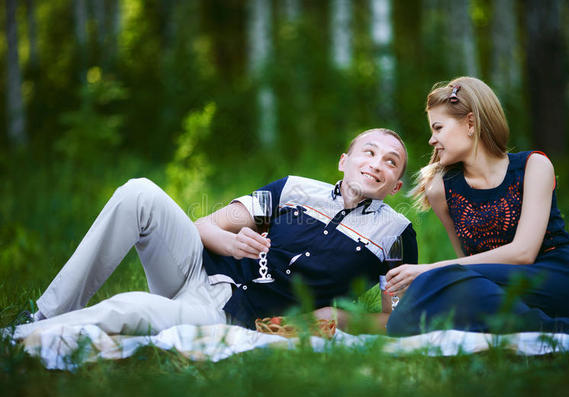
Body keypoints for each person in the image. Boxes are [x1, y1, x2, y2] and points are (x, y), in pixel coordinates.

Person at [12, 128, 417, 339]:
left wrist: (338, 316)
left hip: (229, 316)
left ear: (395, 185)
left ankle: (18, 339)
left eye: (391, 161)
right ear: (344, 160)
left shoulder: (396, 234)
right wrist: (228, 241)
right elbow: (205, 226)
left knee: (130, 307)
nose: (377, 163)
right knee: (139, 192)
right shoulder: (293, 189)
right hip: (193, 273)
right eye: (369, 151)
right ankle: (46, 316)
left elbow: (397, 319)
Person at [383, 77, 569, 337]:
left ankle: (559, 332)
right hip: (501, 295)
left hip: (560, 281)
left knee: (435, 280)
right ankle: (560, 334)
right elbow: (467, 267)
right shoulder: (440, 189)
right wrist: (431, 279)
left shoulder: (534, 166)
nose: (432, 140)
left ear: (471, 123)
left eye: (438, 128)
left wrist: (427, 271)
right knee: (403, 320)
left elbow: (523, 253)